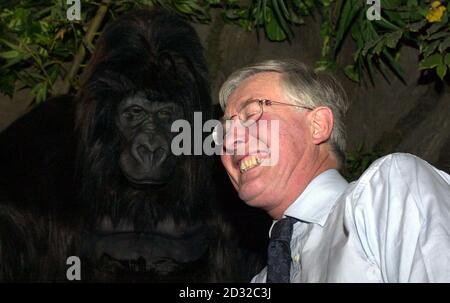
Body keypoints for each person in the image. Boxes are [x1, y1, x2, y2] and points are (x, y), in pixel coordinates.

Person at [216, 59, 450, 283]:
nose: (229, 140)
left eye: (251, 114)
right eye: (224, 130)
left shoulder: (388, 194)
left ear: (317, 125)